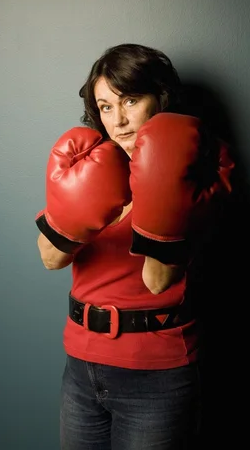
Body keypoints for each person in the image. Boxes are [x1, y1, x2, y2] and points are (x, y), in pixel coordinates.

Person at [35, 43, 235, 450]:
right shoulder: (91, 164)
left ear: (158, 99)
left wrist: (157, 186)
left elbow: (157, 280)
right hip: (81, 366)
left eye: (130, 100)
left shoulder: (196, 166)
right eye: (106, 106)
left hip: (155, 375)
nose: (120, 121)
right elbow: (50, 258)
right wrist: (81, 205)